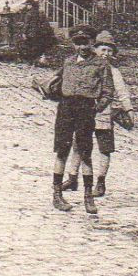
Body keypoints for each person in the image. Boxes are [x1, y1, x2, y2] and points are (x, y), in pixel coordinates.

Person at [43, 27, 110, 214]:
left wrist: (97, 107)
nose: (82, 46)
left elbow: (107, 91)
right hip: (66, 107)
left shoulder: (100, 64)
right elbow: (55, 81)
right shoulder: (68, 62)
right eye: (78, 42)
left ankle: (88, 197)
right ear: (73, 44)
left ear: (92, 43)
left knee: (85, 151)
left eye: (85, 42)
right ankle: (57, 195)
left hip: (86, 108)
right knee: (62, 150)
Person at [61, 30, 133, 198]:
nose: (106, 54)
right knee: (78, 145)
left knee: (104, 148)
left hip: (104, 114)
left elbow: (122, 92)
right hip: (84, 113)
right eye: (103, 50)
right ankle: (72, 177)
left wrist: (129, 110)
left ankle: (100, 182)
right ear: (95, 49)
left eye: (110, 51)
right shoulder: (88, 65)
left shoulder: (113, 71)